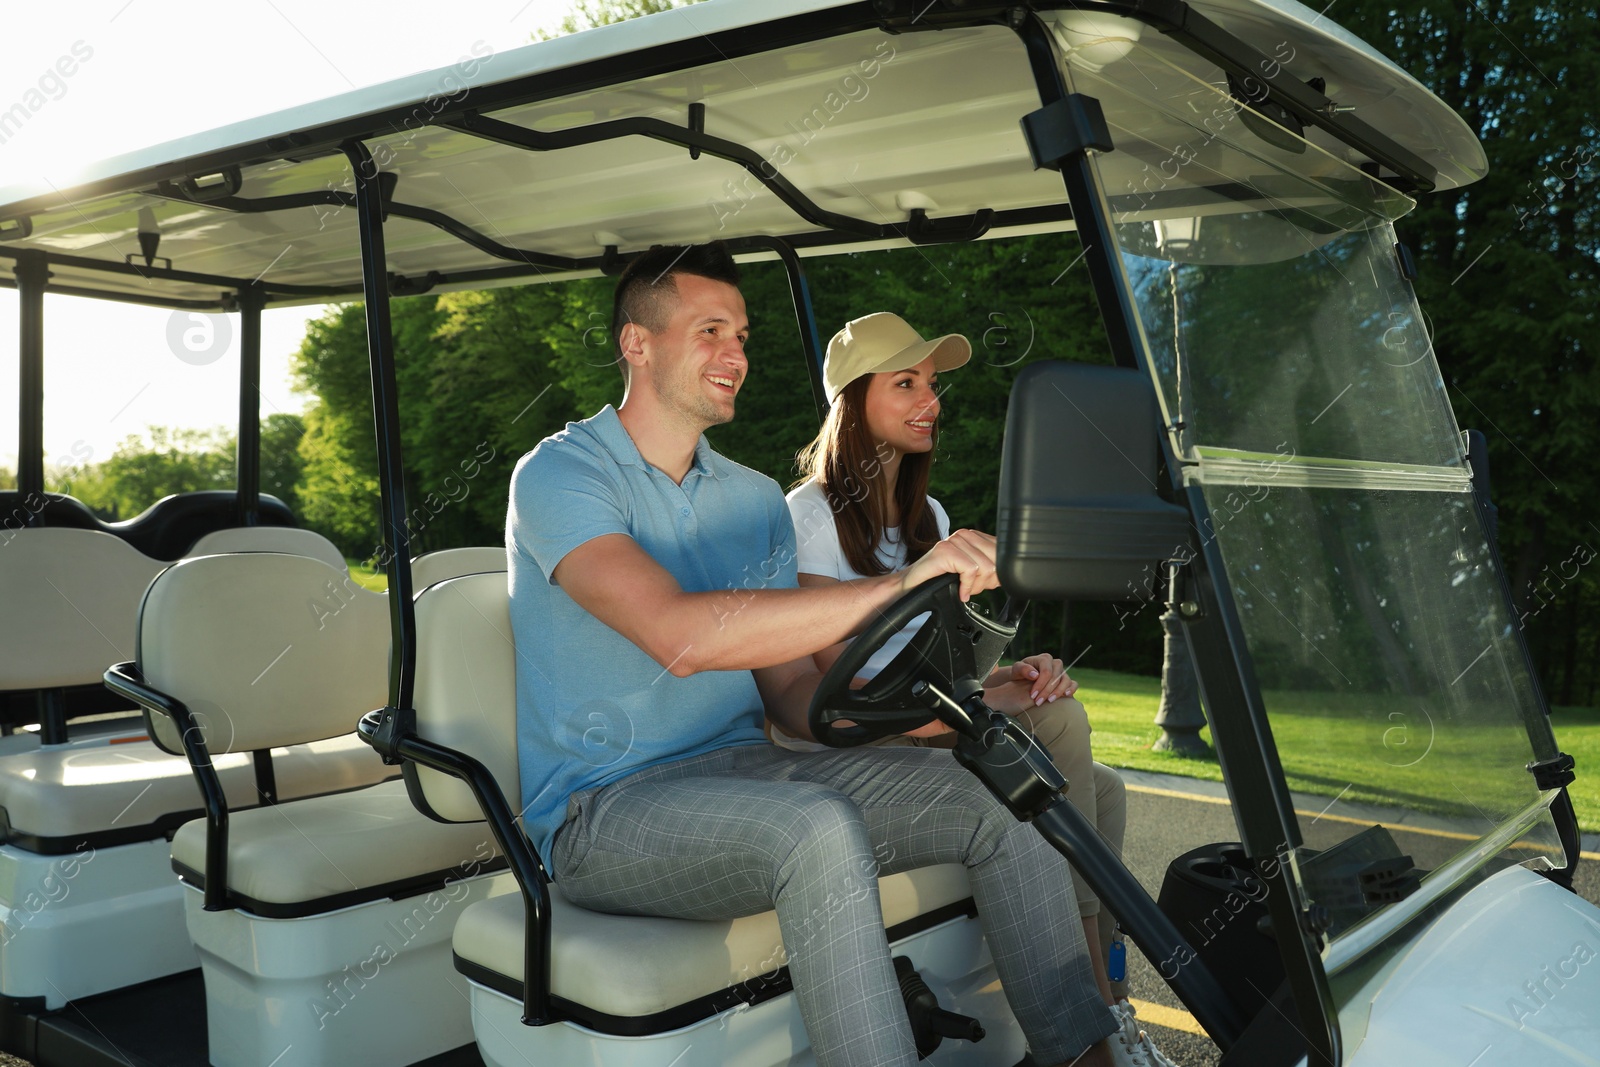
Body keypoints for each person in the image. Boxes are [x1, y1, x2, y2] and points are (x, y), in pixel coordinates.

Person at [508, 243, 1152, 1067]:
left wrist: (927, 713)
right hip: (608, 811)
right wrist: (905, 584)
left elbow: (788, 698)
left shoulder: (747, 498)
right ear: (638, 342)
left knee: (1004, 789)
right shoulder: (562, 473)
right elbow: (680, 635)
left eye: (741, 334)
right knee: (814, 828)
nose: (736, 355)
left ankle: (1085, 1056)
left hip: (749, 771)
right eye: (711, 332)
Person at [778, 311, 1149, 1041]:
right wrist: (965, 709)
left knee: (1103, 786)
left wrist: (1017, 672)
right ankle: (1100, 1016)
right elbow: (838, 679)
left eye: (935, 384)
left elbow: (939, 661)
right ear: (853, 401)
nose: (931, 401)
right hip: (863, 741)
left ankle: (1110, 994)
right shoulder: (807, 515)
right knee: (1066, 735)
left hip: (926, 720)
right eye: (907, 383)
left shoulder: (929, 515)